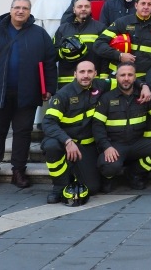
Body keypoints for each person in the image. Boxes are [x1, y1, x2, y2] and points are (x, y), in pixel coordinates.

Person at [0, 0, 57, 190]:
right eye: (17, 8)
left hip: (27, 92)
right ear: (10, 9)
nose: (21, 11)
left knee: (23, 133)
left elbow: (49, 63)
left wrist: (48, 88)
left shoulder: (39, 34)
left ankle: (18, 171)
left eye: (25, 8)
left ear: (30, 12)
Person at [41, 60, 110, 203]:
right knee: (51, 146)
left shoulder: (100, 85)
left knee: (92, 188)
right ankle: (59, 186)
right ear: (75, 74)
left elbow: (124, 80)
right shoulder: (63, 95)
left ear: (95, 74)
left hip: (86, 145)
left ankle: (73, 173)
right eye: (82, 72)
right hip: (63, 142)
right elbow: (48, 122)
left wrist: (144, 86)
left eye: (90, 72)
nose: (86, 75)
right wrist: (67, 141)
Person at [93, 63, 151, 192]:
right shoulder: (106, 98)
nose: (126, 78)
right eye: (122, 75)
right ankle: (108, 178)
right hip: (115, 144)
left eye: (130, 75)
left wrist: (150, 95)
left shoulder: (144, 97)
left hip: (137, 142)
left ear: (135, 77)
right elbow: (97, 126)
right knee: (108, 165)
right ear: (116, 77)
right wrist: (106, 147)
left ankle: (134, 173)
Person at [94, 0, 151, 81]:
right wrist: (119, 55)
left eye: (149, 4)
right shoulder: (122, 22)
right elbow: (99, 44)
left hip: (144, 78)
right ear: (136, 5)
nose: (146, 7)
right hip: (119, 76)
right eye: (143, 3)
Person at [53, 0, 105, 88]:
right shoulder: (63, 29)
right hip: (67, 80)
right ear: (74, 9)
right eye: (80, 6)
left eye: (86, 6)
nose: (83, 9)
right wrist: (64, 52)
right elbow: (52, 53)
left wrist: (103, 78)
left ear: (90, 9)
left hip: (92, 80)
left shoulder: (100, 28)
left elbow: (105, 56)